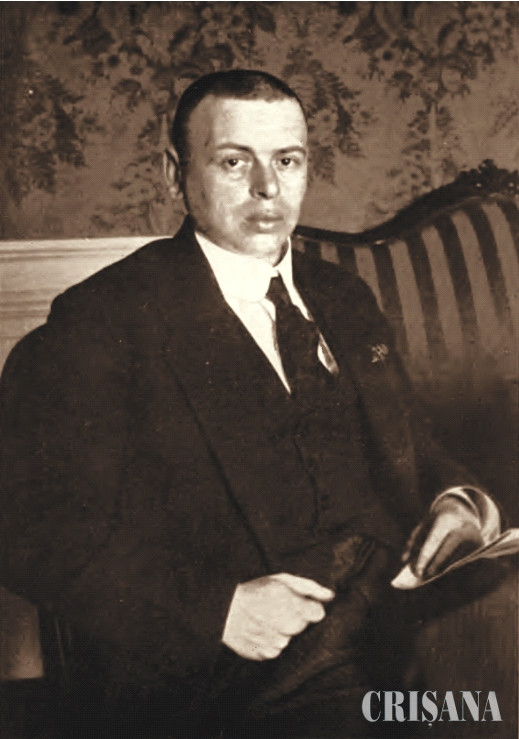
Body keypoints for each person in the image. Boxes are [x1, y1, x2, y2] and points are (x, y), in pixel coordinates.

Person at [0, 70, 500, 738]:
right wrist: (219, 610)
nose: (268, 188)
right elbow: (30, 527)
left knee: (494, 682)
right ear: (174, 174)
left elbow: (415, 446)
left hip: (397, 624)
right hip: (243, 678)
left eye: (287, 161)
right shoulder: (104, 320)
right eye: (235, 162)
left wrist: (459, 502)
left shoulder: (345, 299)